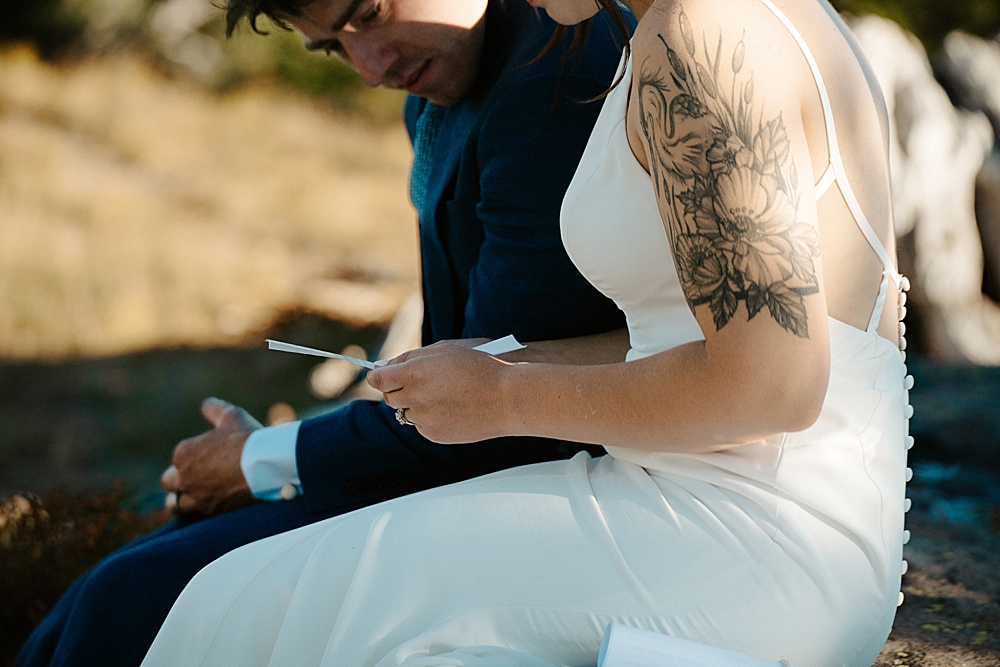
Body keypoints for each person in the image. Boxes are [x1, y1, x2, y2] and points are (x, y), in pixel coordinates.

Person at [138, 0, 912, 664]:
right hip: (726, 500)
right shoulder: (719, 22)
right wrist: (500, 360)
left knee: (253, 602)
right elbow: (712, 333)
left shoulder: (699, 35)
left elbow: (772, 382)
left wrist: (507, 396)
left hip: (746, 538)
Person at [15, 3, 631, 667]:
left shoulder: (549, 83)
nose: (370, 69)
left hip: (555, 474)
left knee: (136, 596)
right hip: (454, 446)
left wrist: (264, 459)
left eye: (369, 12)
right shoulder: (441, 72)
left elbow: (492, 401)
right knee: (116, 585)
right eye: (332, 48)